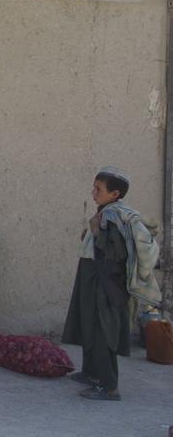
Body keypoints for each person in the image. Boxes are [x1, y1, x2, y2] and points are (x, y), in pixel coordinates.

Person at [62, 166, 162, 401]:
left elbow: (115, 254)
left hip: (106, 284)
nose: (93, 192)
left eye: (98, 189)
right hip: (93, 279)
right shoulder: (105, 213)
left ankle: (109, 387)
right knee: (89, 324)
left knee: (102, 331)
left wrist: (96, 232)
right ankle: (91, 373)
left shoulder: (113, 217)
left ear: (115, 194)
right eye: (94, 187)